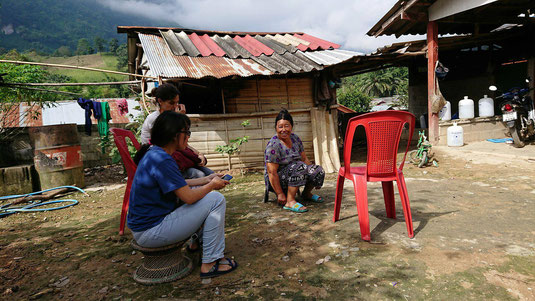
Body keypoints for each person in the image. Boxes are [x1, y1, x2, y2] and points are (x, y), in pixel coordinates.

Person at [129, 111, 238, 279]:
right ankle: (210, 263)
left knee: (203, 196)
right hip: (150, 231)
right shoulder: (162, 159)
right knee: (215, 200)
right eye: (186, 132)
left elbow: (179, 184)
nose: (188, 137)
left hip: (145, 228)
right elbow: (188, 197)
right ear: (174, 135)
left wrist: (206, 179)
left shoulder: (156, 154)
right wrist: (212, 185)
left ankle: (198, 244)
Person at [139, 83, 214, 178]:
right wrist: (179, 119)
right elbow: (173, 142)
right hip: (158, 159)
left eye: (176, 103)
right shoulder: (156, 119)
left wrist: (198, 153)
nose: (175, 106)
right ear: (160, 101)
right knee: (199, 174)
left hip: (171, 155)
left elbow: (182, 142)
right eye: (171, 103)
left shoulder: (168, 117)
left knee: (209, 172)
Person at [264, 109, 325, 213]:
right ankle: (290, 201)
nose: (284, 129)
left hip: (297, 170)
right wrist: (279, 194)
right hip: (278, 179)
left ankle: (306, 194)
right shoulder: (273, 145)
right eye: (280, 126)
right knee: (300, 166)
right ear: (276, 128)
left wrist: (315, 177)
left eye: (286, 126)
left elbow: (304, 159)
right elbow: (271, 172)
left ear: (291, 126)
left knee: (318, 170)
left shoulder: (295, 138)